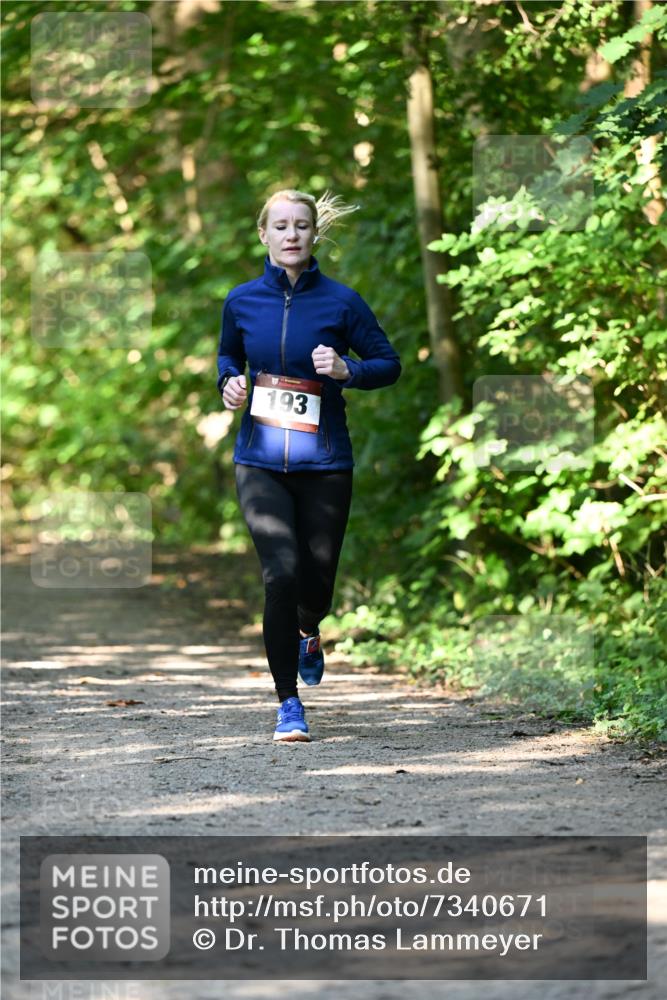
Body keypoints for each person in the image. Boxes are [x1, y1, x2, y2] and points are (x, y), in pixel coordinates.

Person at [217, 187, 401, 742]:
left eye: (301, 225)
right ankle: (288, 704)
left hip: (325, 462)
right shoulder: (242, 300)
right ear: (264, 235)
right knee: (280, 574)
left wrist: (348, 370)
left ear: (315, 235)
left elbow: (387, 364)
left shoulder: (342, 302)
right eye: (281, 225)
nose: (291, 234)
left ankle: (308, 627)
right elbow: (228, 354)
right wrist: (228, 382)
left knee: (315, 585)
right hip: (260, 460)